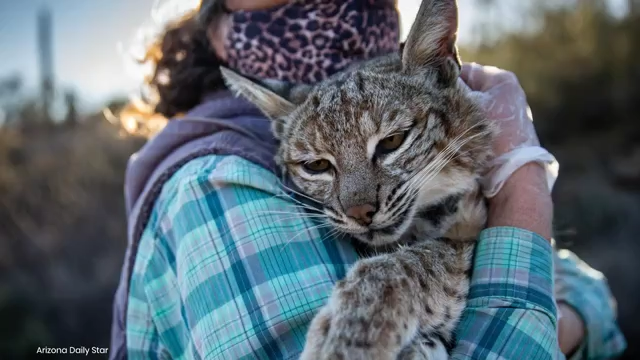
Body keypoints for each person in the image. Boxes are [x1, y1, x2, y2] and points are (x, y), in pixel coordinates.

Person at [110, 1, 626, 359]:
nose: (359, 204)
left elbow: (594, 299)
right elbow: (560, 303)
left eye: (389, 143)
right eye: (317, 166)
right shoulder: (215, 183)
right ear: (217, 21)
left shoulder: (407, 105)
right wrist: (522, 182)